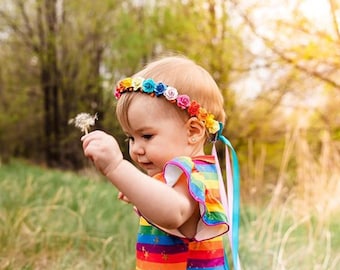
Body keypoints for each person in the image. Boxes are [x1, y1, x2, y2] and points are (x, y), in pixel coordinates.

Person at [81, 56, 240, 270]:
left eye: (146, 136)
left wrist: (116, 167)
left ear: (193, 131)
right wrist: (141, 191)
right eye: (130, 138)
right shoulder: (180, 174)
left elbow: (174, 212)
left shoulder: (194, 174)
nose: (136, 148)